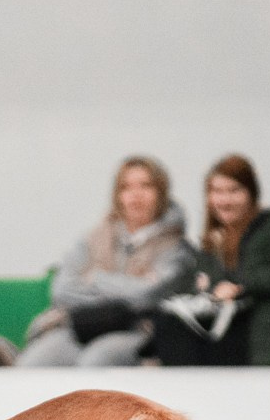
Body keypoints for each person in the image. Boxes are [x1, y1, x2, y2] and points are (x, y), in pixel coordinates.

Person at [17, 156, 193, 367]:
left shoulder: (176, 248)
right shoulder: (95, 237)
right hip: (84, 324)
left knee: (95, 362)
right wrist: (127, 288)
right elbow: (62, 290)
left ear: (161, 192)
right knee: (33, 363)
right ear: (117, 195)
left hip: (138, 330)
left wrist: (96, 280)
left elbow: (147, 295)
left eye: (146, 186)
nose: (136, 195)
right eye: (126, 187)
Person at [149, 154, 270, 366]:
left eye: (234, 190)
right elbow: (201, 283)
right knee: (168, 323)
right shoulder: (215, 239)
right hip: (223, 327)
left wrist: (239, 286)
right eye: (217, 191)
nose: (225, 200)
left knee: (174, 334)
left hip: (262, 334)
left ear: (251, 193)